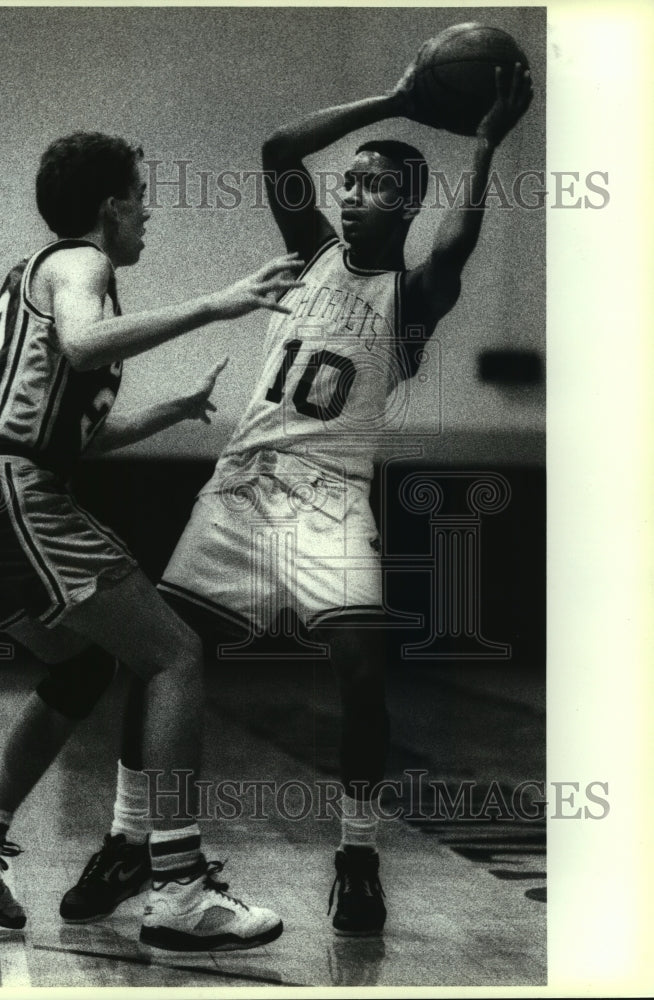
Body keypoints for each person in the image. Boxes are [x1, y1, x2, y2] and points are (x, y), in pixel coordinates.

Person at [163, 61, 530, 935]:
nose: (355, 192)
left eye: (376, 186)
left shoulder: (412, 300)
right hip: (244, 486)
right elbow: (280, 148)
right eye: (352, 181)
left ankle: (357, 858)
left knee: (366, 672)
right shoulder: (312, 251)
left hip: (331, 498)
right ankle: (127, 836)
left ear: (405, 206)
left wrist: (480, 146)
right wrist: (402, 97)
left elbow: (459, 242)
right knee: (160, 661)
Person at [0, 130, 304, 952]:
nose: (149, 215)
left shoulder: (43, 278)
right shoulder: (78, 264)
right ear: (110, 206)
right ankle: (177, 884)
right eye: (142, 197)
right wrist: (218, 301)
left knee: (84, 663)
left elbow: (69, 436)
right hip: (1, 486)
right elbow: (84, 343)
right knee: (172, 654)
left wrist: (168, 414)